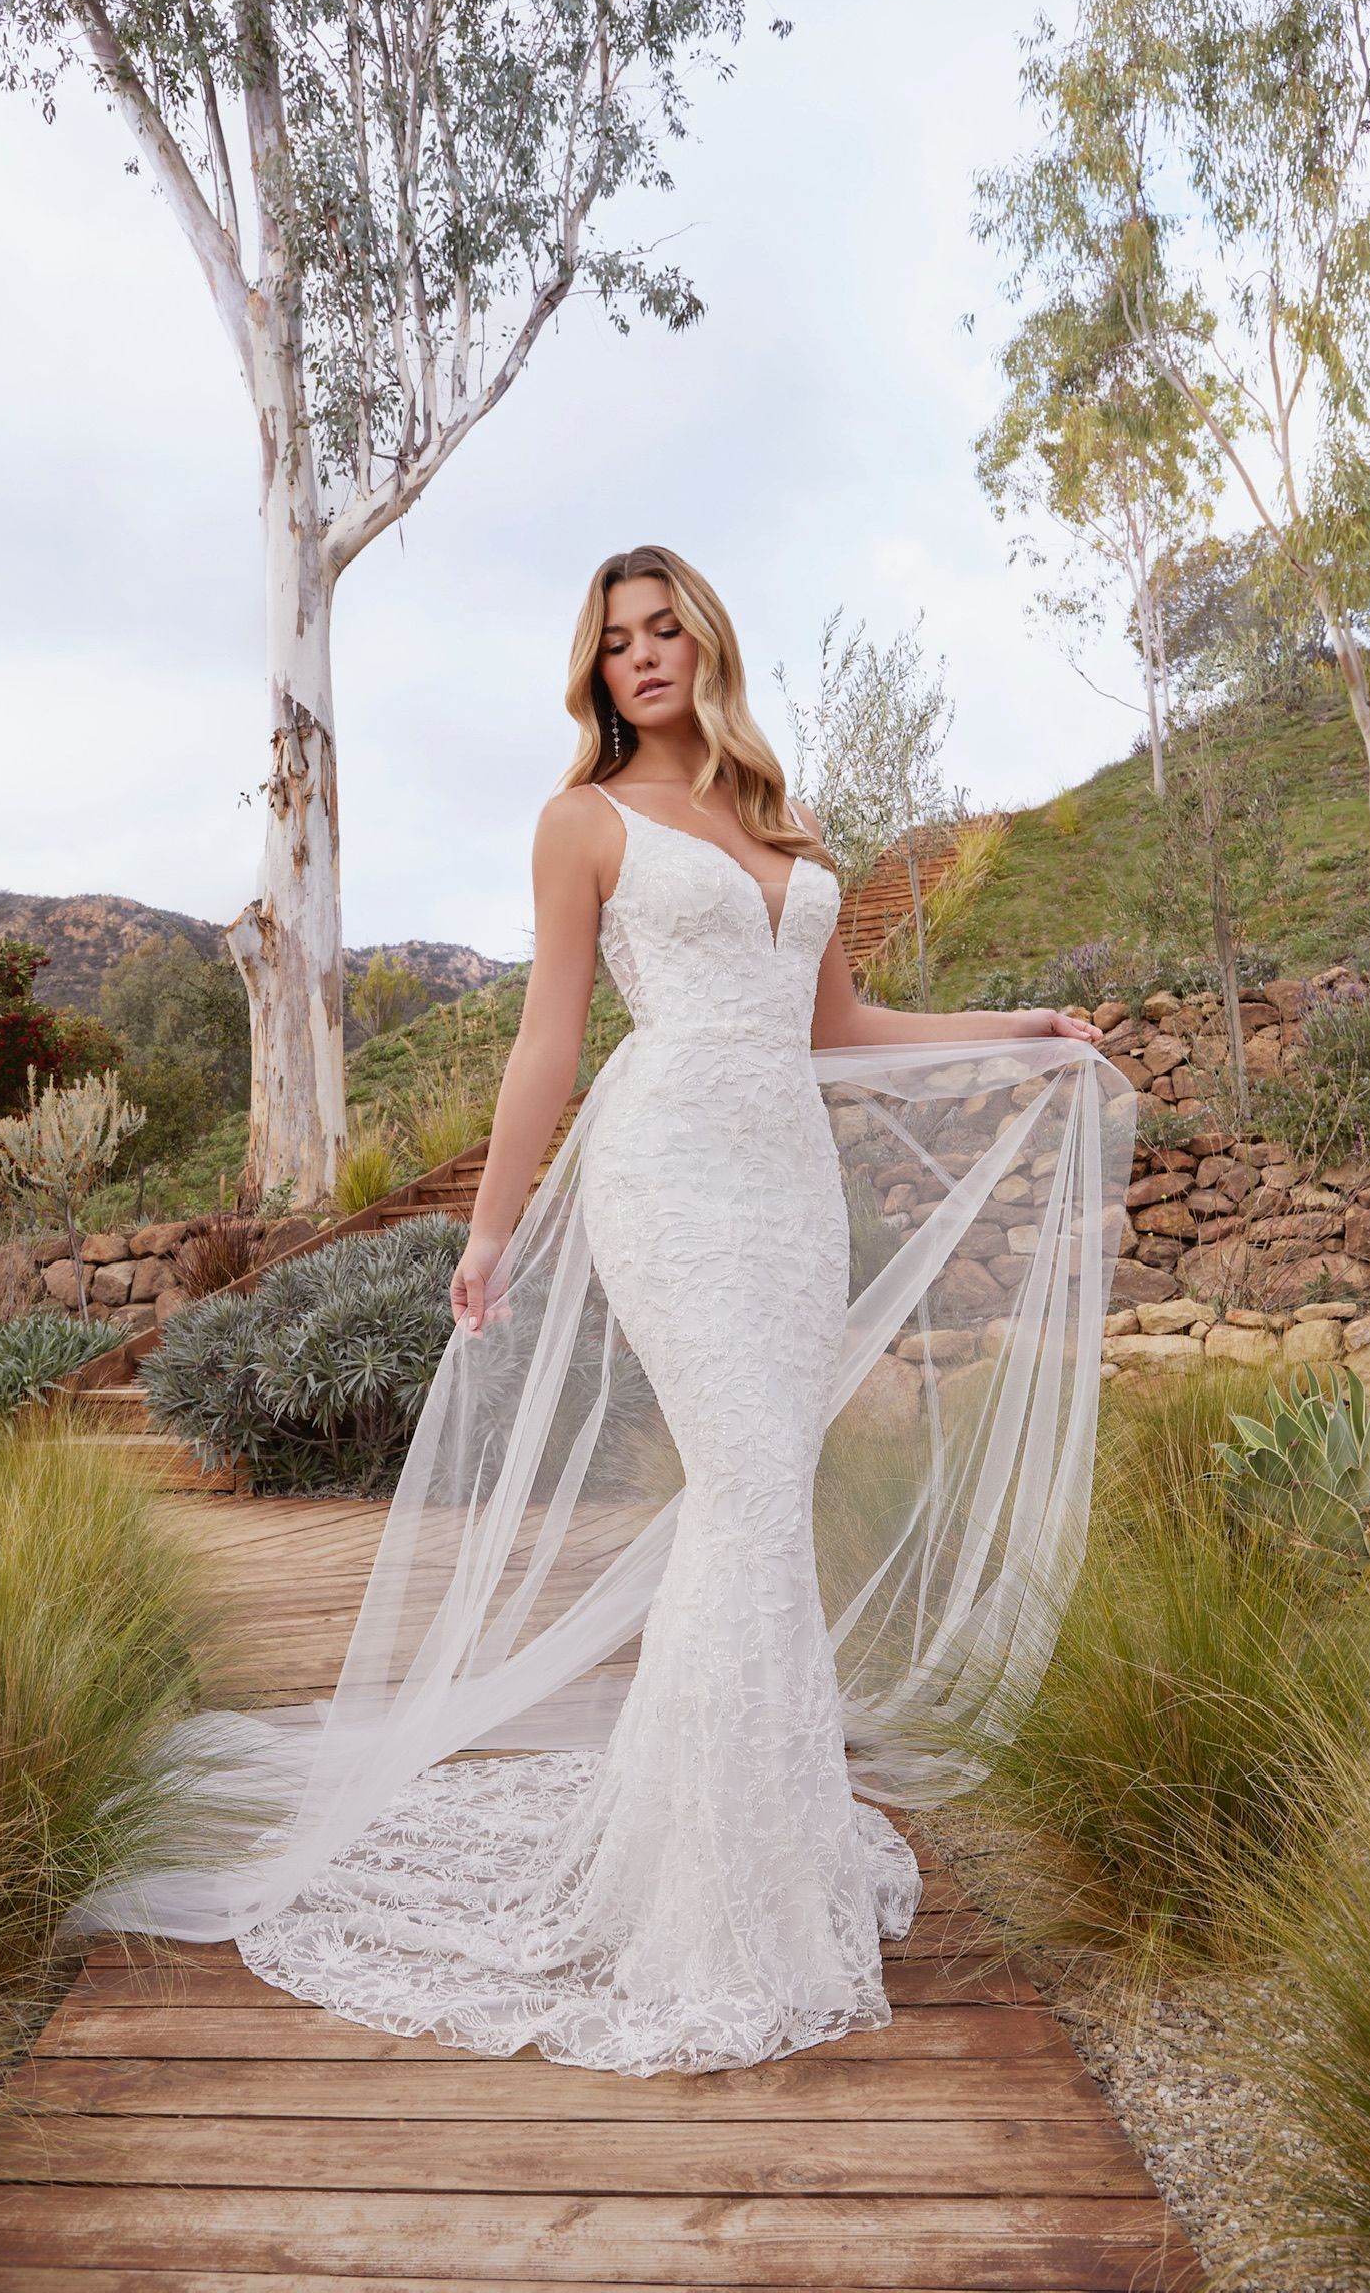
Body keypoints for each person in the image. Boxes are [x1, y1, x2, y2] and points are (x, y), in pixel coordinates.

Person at [70, 544, 1135, 2080]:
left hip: (788, 1195)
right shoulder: (581, 822)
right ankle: (717, 1913)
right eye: (615, 640)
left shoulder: (784, 823)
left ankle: (737, 1846)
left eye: (663, 629)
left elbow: (838, 1029)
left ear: (705, 641)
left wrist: (1015, 1024)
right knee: (755, 1494)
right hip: (669, 1177)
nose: (642, 655)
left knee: (751, 1504)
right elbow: (545, 1046)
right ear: (597, 671)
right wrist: (491, 1229)